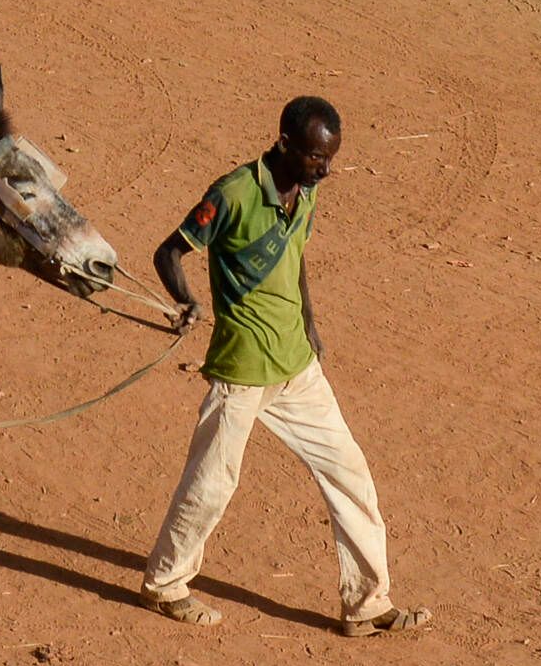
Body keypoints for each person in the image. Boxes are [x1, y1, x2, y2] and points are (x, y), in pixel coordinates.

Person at [141, 96, 421, 636]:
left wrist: (310, 323)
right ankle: (165, 585)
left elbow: (296, 259)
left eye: (331, 158)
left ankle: (367, 603)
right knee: (212, 483)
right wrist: (186, 301)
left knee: (350, 475)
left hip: (297, 368)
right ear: (287, 144)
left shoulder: (307, 194)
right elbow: (168, 253)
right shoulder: (233, 194)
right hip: (242, 369)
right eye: (317, 158)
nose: (327, 169)